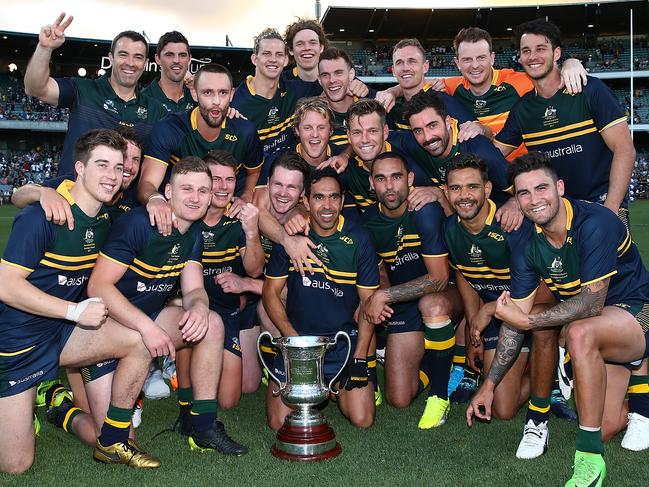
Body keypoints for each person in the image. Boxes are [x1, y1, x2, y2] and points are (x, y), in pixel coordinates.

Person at [467, 153, 649, 487]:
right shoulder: (527, 246)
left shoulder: (595, 222)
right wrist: (489, 386)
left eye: (541, 188)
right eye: (524, 193)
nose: (534, 199)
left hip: (639, 311)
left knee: (577, 333)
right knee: (607, 425)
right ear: (516, 199)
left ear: (560, 187)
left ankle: (589, 462)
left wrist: (531, 324)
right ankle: (638, 378)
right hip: (599, 328)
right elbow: (516, 317)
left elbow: (593, 301)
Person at [0, 129, 160, 472]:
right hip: (17, 342)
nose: (113, 175)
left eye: (119, 168)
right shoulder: (41, 215)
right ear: (80, 169)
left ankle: (112, 442)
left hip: (62, 335)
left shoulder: (107, 214)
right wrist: (74, 310)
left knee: (141, 339)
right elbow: (6, 286)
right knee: (16, 464)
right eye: (102, 165)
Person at [86, 156, 247, 456]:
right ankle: (64, 407)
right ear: (169, 192)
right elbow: (98, 287)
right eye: (187, 189)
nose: (195, 198)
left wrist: (198, 306)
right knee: (118, 435)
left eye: (202, 191)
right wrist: (147, 327)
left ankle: (203, 427)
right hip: (102, 325)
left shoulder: (193, 232)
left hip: (144, 325)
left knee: (211, 322)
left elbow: (195, 288)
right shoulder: (138, 223)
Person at [443, 153, 563, 458]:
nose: (464, 196)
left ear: (487, 189)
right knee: (504, 409)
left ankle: (551, 372)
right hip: (495, 312)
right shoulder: (449, 229)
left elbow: (538, 284)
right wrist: (473, 330)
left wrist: (490, 310)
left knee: (539, 318)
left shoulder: (511, 223)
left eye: (472, 187)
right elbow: (465, 276)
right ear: (446, 192)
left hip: (525, 305)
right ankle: (540, 367)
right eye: (455, 188)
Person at [263, 167, 378, 429]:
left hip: (341, 345)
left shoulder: (358, 239)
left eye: (334, 197)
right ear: (305, 200)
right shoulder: (292, 238)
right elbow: (269, 293)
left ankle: (339, 383)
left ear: (342, 200)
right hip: (298, 344)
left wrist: (359, 359)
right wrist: (292, 340)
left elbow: (368, 304)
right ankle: (307, 379)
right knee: (279, 423)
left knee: (362, 419)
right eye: (318, 197)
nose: (327, 205)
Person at [495, 19, 635, 225]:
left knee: (615, 257)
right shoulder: (522, 109)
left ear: (557, 53)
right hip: (555, 217)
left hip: (602, 207)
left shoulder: (591, 90)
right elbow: (492, 157)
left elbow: (625, 149)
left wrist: (611, 210)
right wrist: (514, 196)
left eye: (540, 49)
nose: (533, 56)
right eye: (526, 51)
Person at [362, 152, 463, 429]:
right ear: (371, 183)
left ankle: (439, 395)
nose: (390, 186)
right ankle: (437, 360)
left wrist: (384, 296)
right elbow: (381, 272)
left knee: (432, 305)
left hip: (448, 295)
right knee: (399, 397)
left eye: (396, 177)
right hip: (405, 300)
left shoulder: (424, 210)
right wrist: (382, 295)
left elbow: (440, 278)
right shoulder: (369, 221)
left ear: (409, 179)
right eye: (381, 179)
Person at [24, 14, 167, 175]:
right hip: (70, 197)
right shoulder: (83, 90)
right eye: (123, 54)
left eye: (138, 57)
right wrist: (44, 49)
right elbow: (35, 88)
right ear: (111, 58)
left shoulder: (155, 111)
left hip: (124, 200)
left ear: (145, 64)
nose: (130, 63)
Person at [138, 63, 263, 235]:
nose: (216, 101)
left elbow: (254, 171)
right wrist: (155, 199)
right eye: (207, 92)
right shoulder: (171, 128)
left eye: (223, 93)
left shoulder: (245, 131)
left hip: (223, 213)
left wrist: (247, 196)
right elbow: (147, 183)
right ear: (194, 93)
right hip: (179, 213)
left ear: (232, 94)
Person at [442, 27, 586, 161]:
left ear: (492, 58)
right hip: (483, 171)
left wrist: (570, 63)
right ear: (457, 63)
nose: (474, 65)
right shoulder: (449, 87)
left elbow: (551, 77)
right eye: (467, 59)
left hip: (524, 171)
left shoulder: (520, 82)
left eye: (481, 58)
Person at [231, 28, 299, 157]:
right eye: (267, 53)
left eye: (279, 54)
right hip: (251, 174)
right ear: (255, 59)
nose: (273, 59)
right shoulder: (236, 103)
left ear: (285, 60)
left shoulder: (292, 92)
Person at [142, 31, 195, 113]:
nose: (176, 60)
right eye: (169, 55)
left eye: (182, 55)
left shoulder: (199, 99)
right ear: (158, 59)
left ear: (189, 59)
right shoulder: (142, 101)